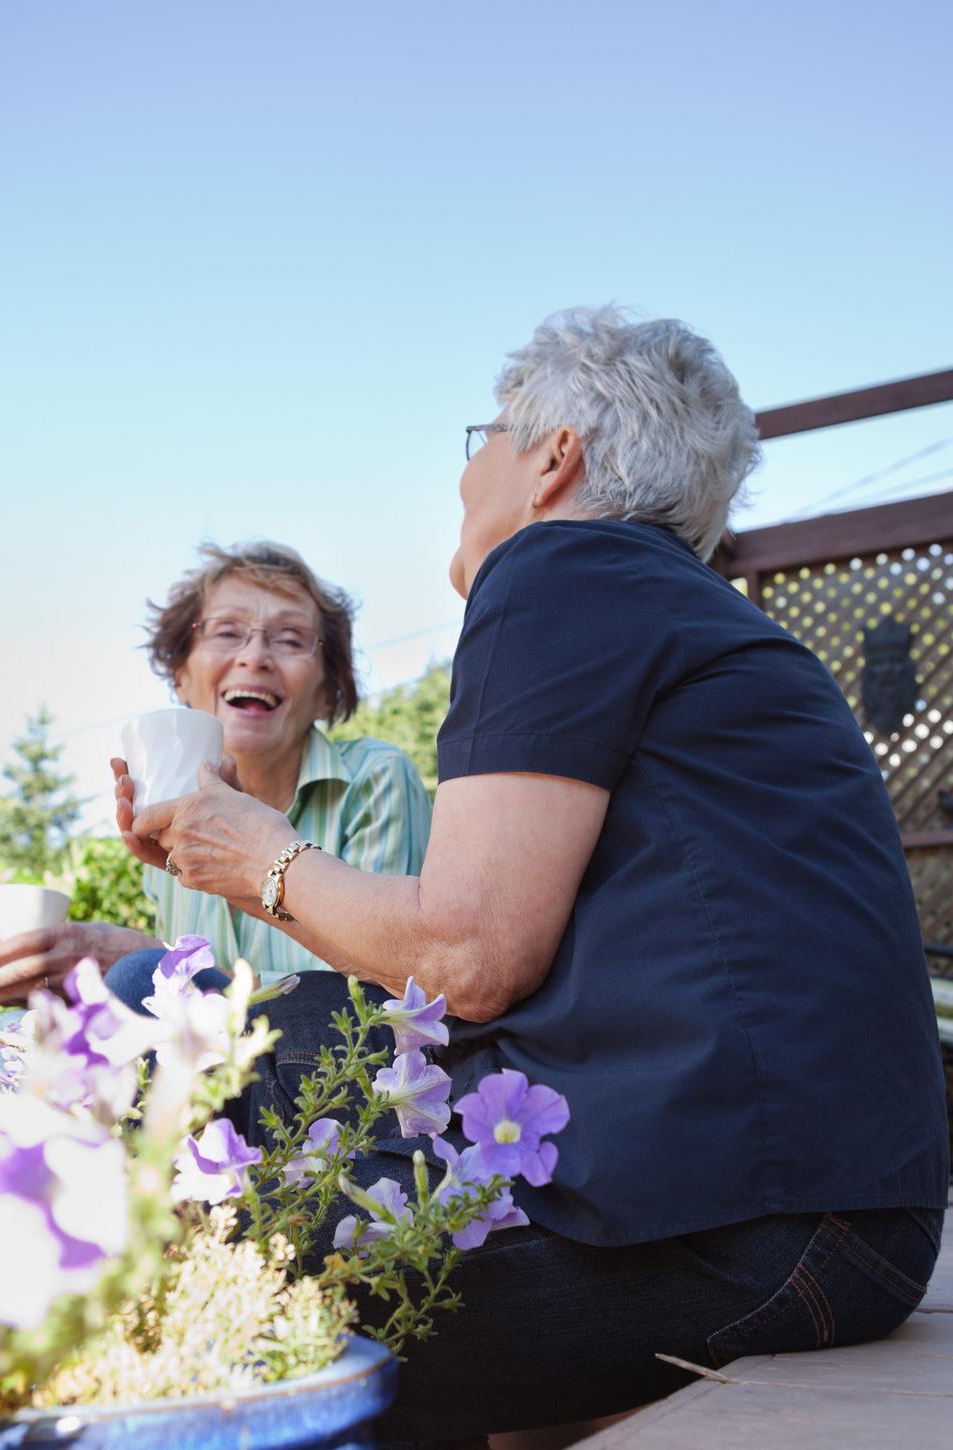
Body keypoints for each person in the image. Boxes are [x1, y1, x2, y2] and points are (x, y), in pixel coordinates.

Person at [120, 308, 948, 1446]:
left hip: (746, 1227)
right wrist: (223, 864)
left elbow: (469, 956)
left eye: (487, 436)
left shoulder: (565, 565)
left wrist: (248, 851)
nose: (467, 475)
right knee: (212, 1037)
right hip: (827, 1214)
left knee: (171, 1260)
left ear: (553, 455)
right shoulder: (668, 603)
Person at [0, 541, 431, 1010]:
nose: (255, 656)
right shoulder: (166, 822)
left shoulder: (376, 778)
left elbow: (388, 991)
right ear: (180, 675)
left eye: (289, 639)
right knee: (2, 1040)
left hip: (340, 1066)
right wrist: (66, 975)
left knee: (138, 973)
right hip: (222, 1072)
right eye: (227, 632)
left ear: (329, 690)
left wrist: (149, 961)